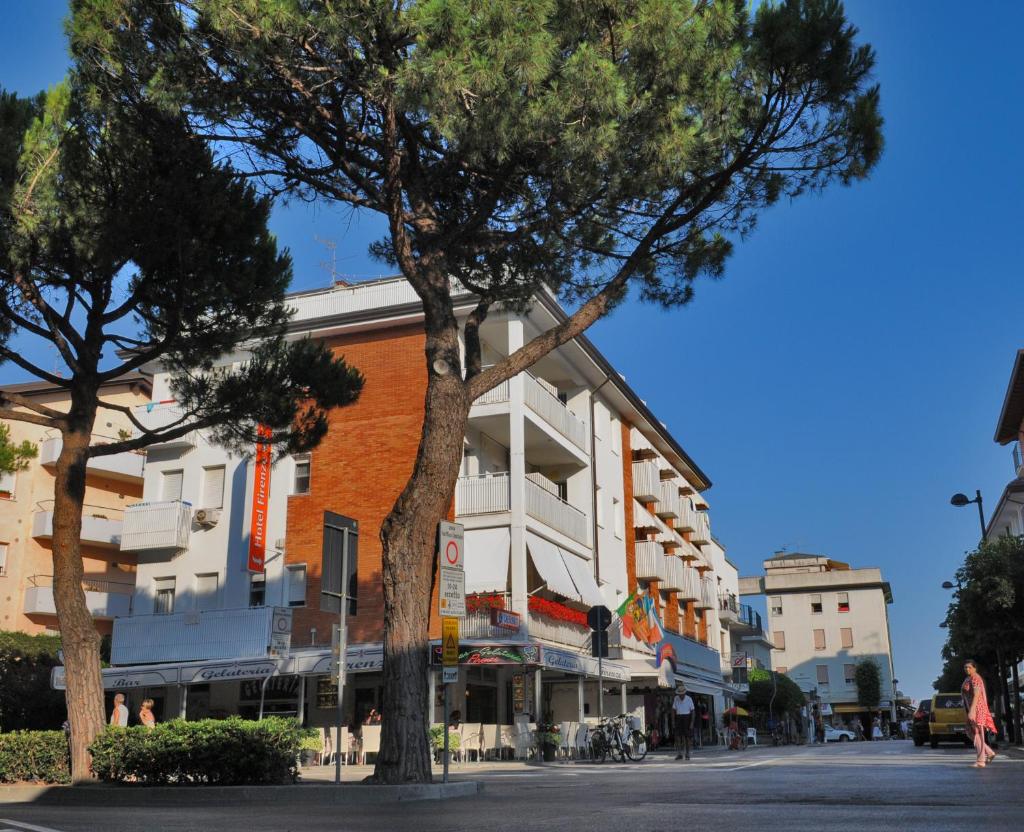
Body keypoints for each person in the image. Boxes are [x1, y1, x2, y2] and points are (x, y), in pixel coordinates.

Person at [962, 659, 997, 768]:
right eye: (965, 667)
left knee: (978, 732)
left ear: (975, 668)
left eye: (969, 667)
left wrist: (972, 711)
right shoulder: (968, 679)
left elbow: (976, 695)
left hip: (977, 709)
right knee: (970, 732)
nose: (967, 669)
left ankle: (981, 760)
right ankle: (989, 752)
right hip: (971, 708)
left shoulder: (976, 678)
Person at [672, 684, 695, 760]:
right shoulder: (676, 698)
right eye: (679, 694)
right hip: (678, 718)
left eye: (682, 694)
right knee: (678, 737)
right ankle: (679, 754)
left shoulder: (689, 699)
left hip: (687, 718)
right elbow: (673, 710)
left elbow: (693, 711)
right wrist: (673, 721)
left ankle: (687, 753)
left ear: (684, 693)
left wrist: (691, 722)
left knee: (687, 737)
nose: (681, 696)